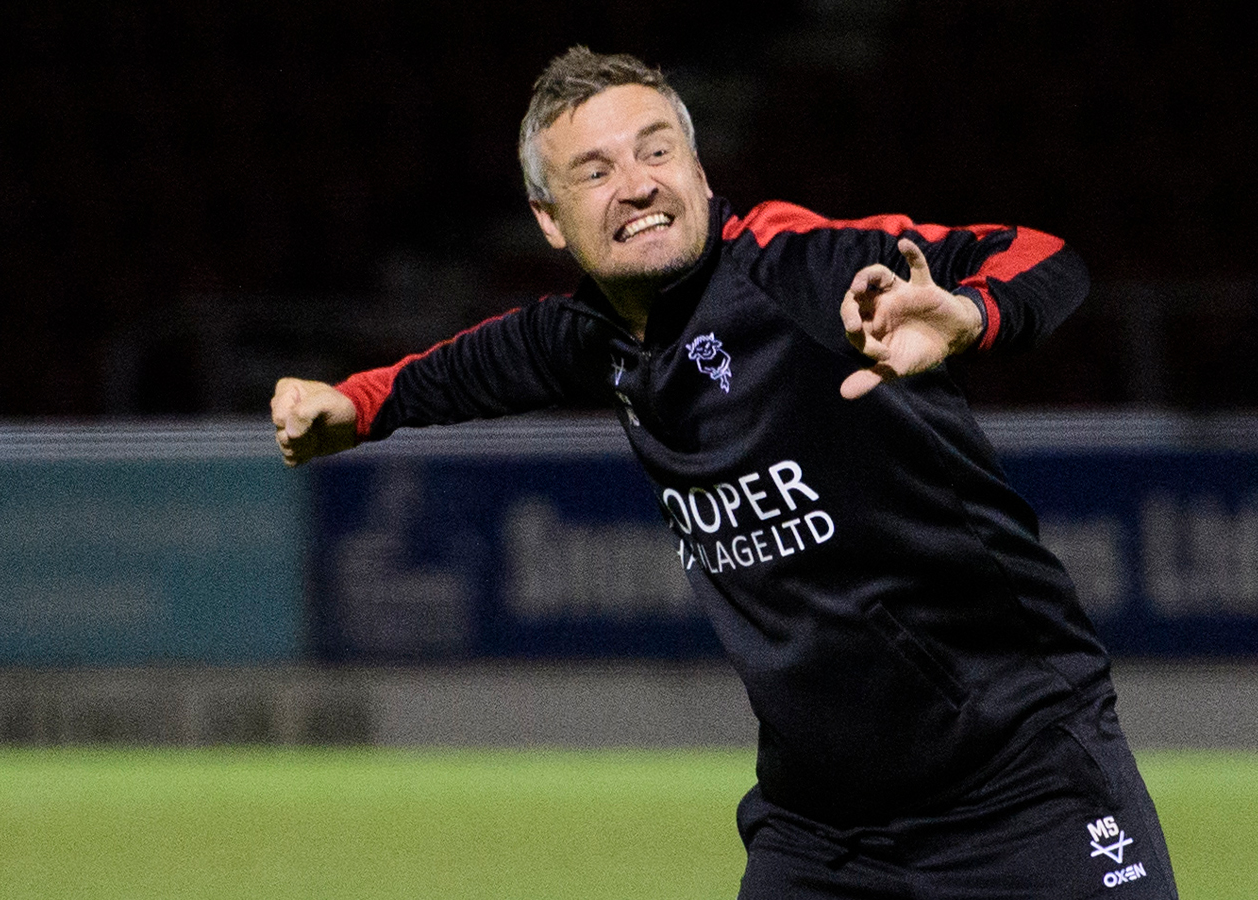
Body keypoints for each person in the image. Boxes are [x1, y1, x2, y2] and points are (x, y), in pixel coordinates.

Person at [273, 47, 1178, 900]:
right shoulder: (596, 336)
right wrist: (352, 406)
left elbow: (1043, 257)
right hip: (822, 829)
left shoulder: (797, 267)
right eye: (594, 172)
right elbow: (473, 365)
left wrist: (970, 316)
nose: (636, 186)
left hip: (1021, 784)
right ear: (550, 220)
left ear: (700, 170)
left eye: (656, 150)